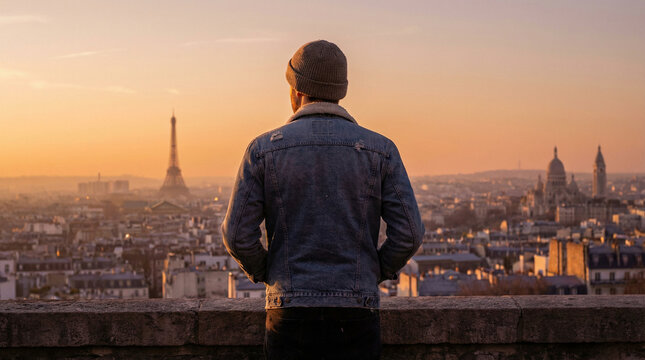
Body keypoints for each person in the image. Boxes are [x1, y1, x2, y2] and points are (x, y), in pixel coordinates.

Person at [221, 39, 424, 360]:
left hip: (290, 308)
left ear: (296, 90)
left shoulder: (262, 149)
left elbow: (236, 235)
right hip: (356, 308)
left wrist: (271, 272)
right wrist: (372, 272)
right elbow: (410, 233)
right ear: (340, 90)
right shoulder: (381, 149)